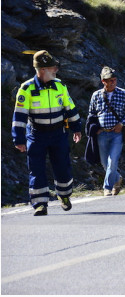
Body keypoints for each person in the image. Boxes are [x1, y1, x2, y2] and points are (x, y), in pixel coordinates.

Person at [12, 50, 82, 216]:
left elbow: (70, 108)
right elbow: (19, 116)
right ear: (42, 70)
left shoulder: (60, 86)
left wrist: (76, 128)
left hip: (58, 134)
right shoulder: (26, 89)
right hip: (36, 135)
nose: (56, 70)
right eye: (52, 68)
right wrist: (19, 138)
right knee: (36, 170)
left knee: (63, 168)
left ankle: (64, 195)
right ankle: (40, 203)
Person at [89, 66, 125, 197]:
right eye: (110, 80)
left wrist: (122, 124)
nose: (113, 82)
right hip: (102, 134)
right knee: (105, 163)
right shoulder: (96, 95)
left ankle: (107, 187)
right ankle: (117, 178)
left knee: (113, 161)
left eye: (114, 79)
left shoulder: (124, 94)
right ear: (103, 81)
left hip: (117, 134)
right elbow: (91, 114)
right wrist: (95, 128)